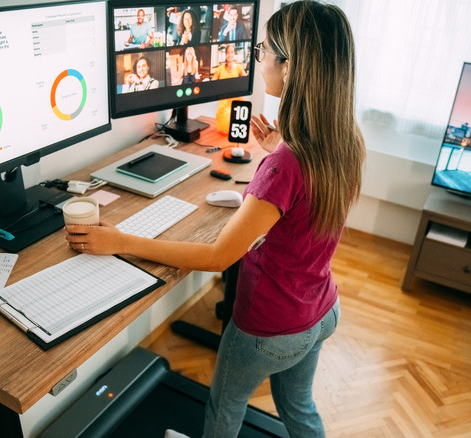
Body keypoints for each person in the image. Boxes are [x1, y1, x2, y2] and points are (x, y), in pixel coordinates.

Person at [66, 1, 365, 436]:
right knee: (299, 408)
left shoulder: (285, 166)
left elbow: (218, 256)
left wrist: (121, 240)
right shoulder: (343, 142)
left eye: (264, 49)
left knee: (225, 408)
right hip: (320, 311)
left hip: (270, 328)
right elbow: (303, 203)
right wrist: (277, 153)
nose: (259, 57)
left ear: (290, 66)